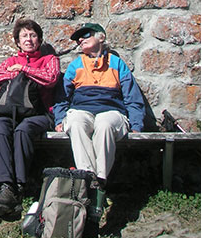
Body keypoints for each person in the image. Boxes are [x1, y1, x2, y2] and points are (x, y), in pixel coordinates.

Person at [53, 23, 145, 188]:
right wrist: (59, 119)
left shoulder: (117, 64)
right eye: (78, 39)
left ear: (101, 37)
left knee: (105, 124)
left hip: (112, 111)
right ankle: (88, 178)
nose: (81, 40)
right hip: (81, 109)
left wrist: (136, 125)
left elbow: (132, 97)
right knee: (75, 123)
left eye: (86, 35)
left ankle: (99, 180)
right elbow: (62, 97)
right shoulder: (75, 65)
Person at [0, 19, 61, 218]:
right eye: (24, 36)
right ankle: (4, 187)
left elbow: (51, 78)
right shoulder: (11, 61)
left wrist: (24, 70)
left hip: (40, 115)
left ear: (39, 39)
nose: (28, 39)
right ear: (18, 42)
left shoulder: (49, 60)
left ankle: (19, 186)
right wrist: (13, 72)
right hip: (9, 113)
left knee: (23, 131)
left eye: (32, 35)